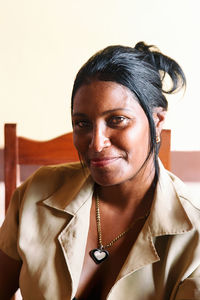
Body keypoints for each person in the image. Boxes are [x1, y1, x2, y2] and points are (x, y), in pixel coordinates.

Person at [0, 41, 200, 300]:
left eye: (117, 120)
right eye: (82, 123)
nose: (96, 143)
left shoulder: (193, 235)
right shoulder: (35, 195)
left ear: (157, 121)